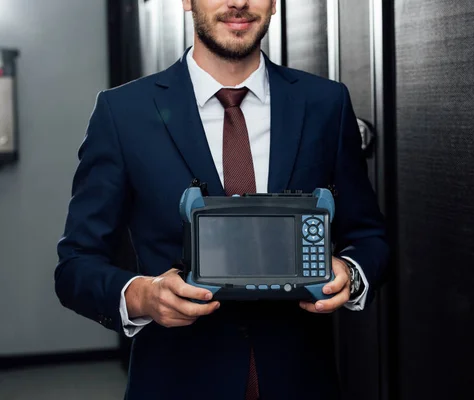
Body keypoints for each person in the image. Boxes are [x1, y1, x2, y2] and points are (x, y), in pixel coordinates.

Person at [54, 0, 388, 399]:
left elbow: (370, 236)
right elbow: (75, 265)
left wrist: (350, 274)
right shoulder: (123, 112)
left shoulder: (325, 103)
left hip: (301, 379)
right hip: (175, 380)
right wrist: (141, 295)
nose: (238, 3)